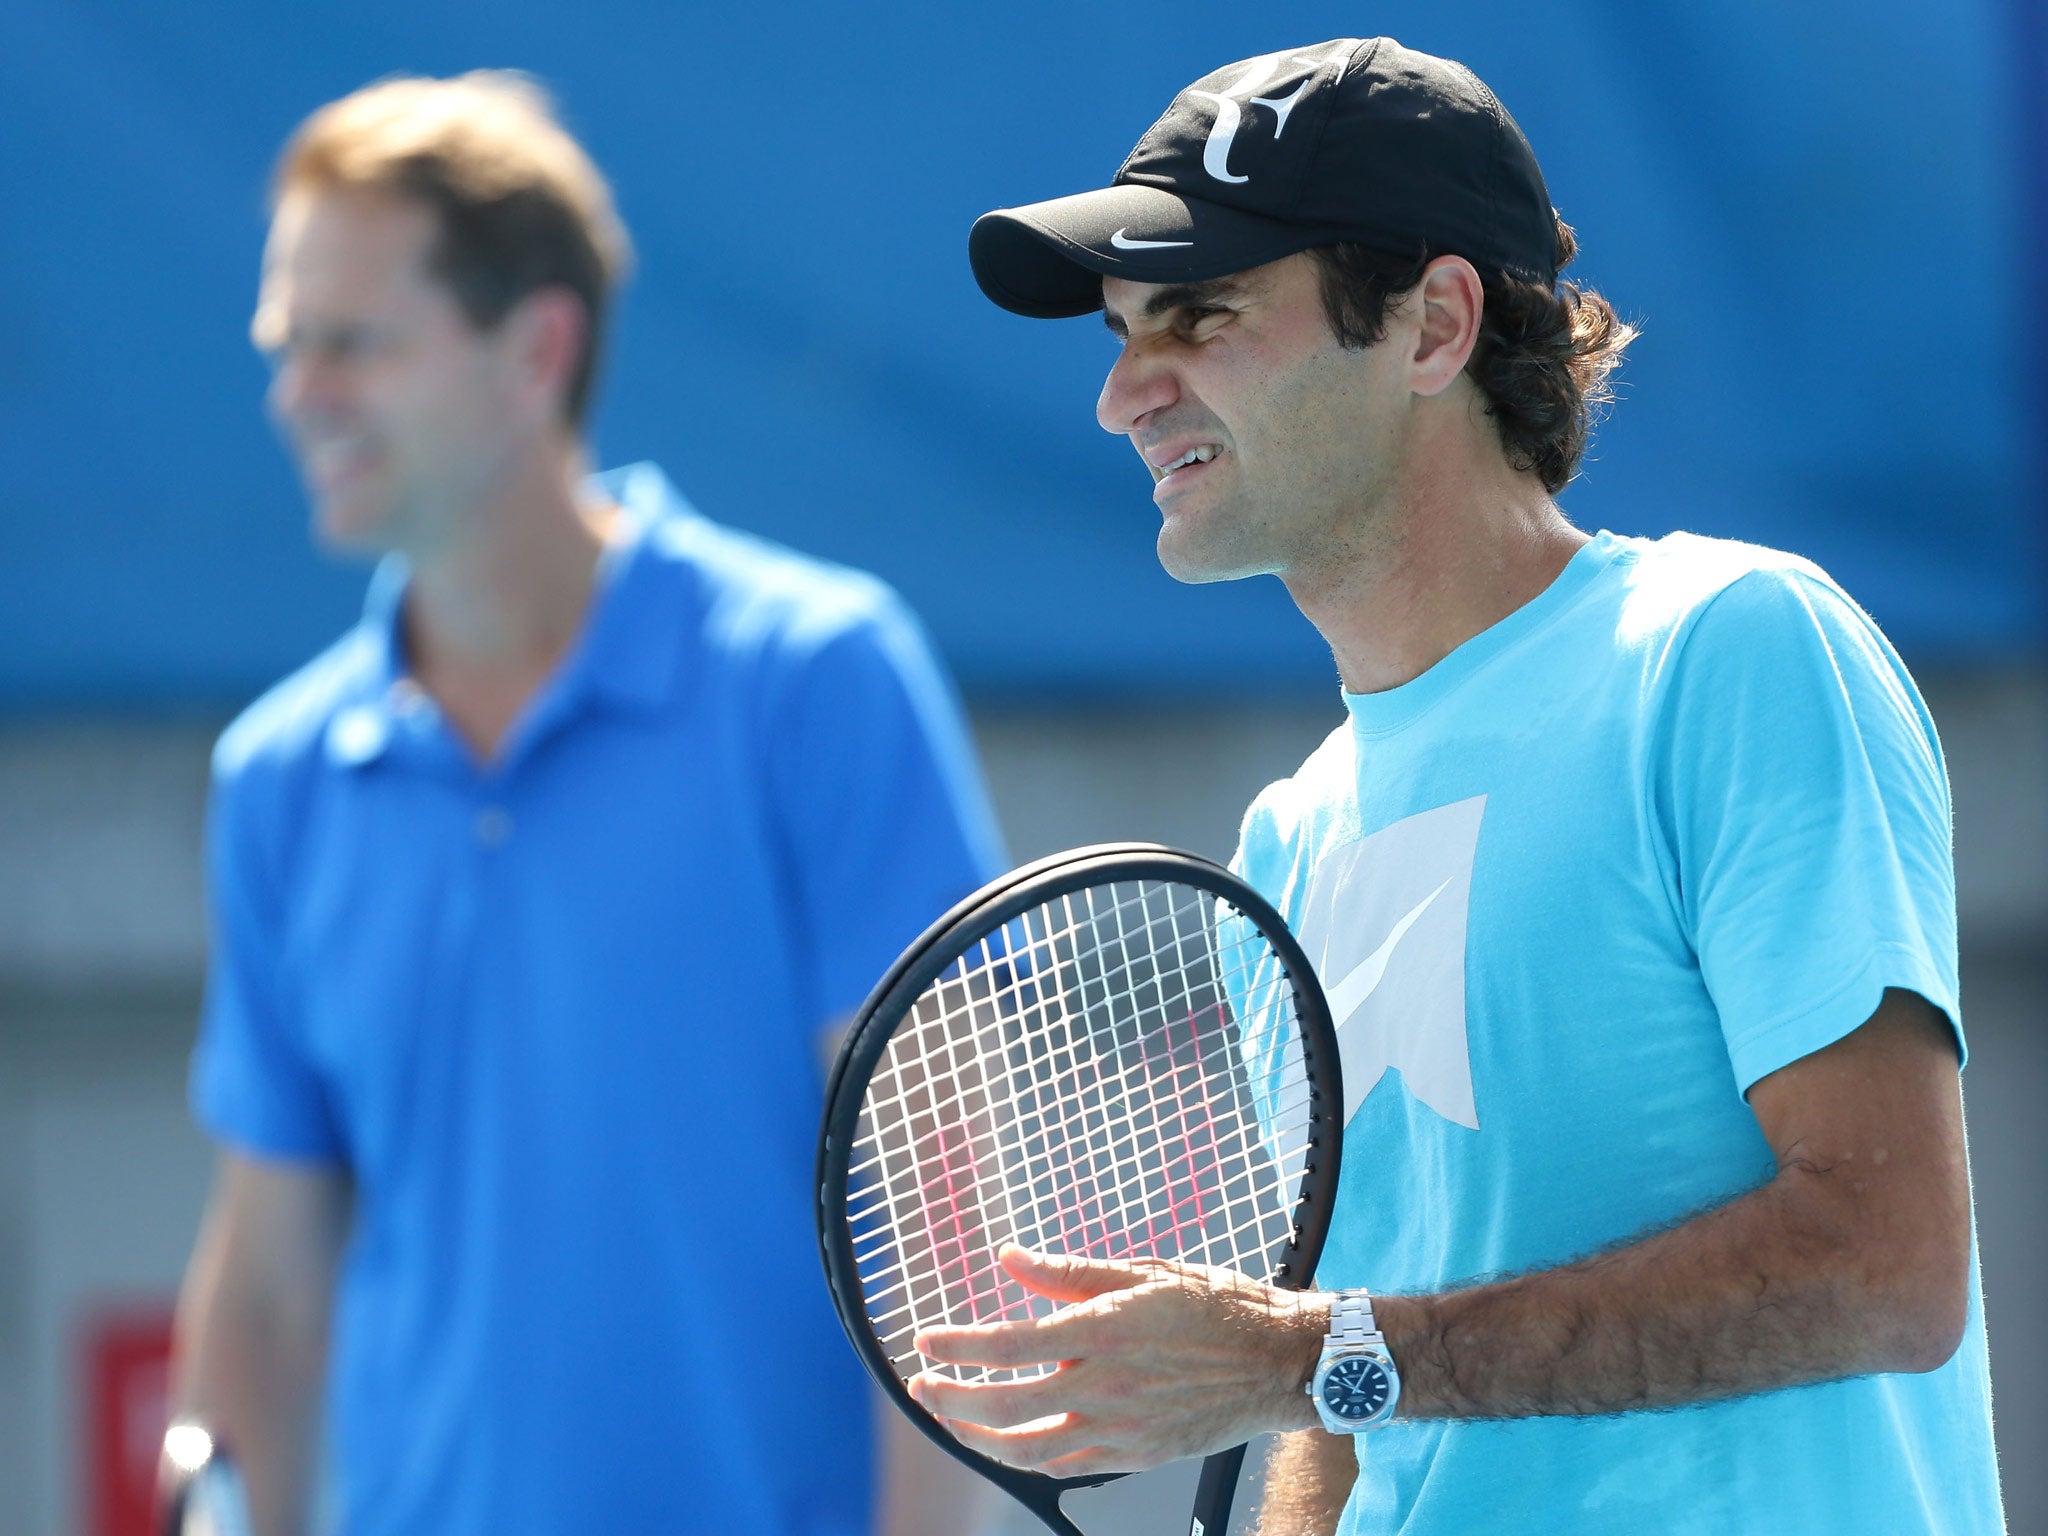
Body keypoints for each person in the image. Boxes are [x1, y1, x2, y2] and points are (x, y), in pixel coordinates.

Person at [909, 37, 2004, 1536]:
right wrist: (1317, 1384)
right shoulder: (1287, 841)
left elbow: (1886, 1268)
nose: (1124, 399)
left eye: (1201, 317)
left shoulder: (1731, 651)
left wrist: (1313, 1352)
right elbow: (1353, 1409)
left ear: (1434, 326)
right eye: (1118, 333)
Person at [168, 72, 1002, 1536]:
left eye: (352, 343)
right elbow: (275, 1293)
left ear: (535, 346)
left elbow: (937, 1244)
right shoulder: (280, 782)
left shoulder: (817, 683)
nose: (298, 395)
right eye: (286, 346)